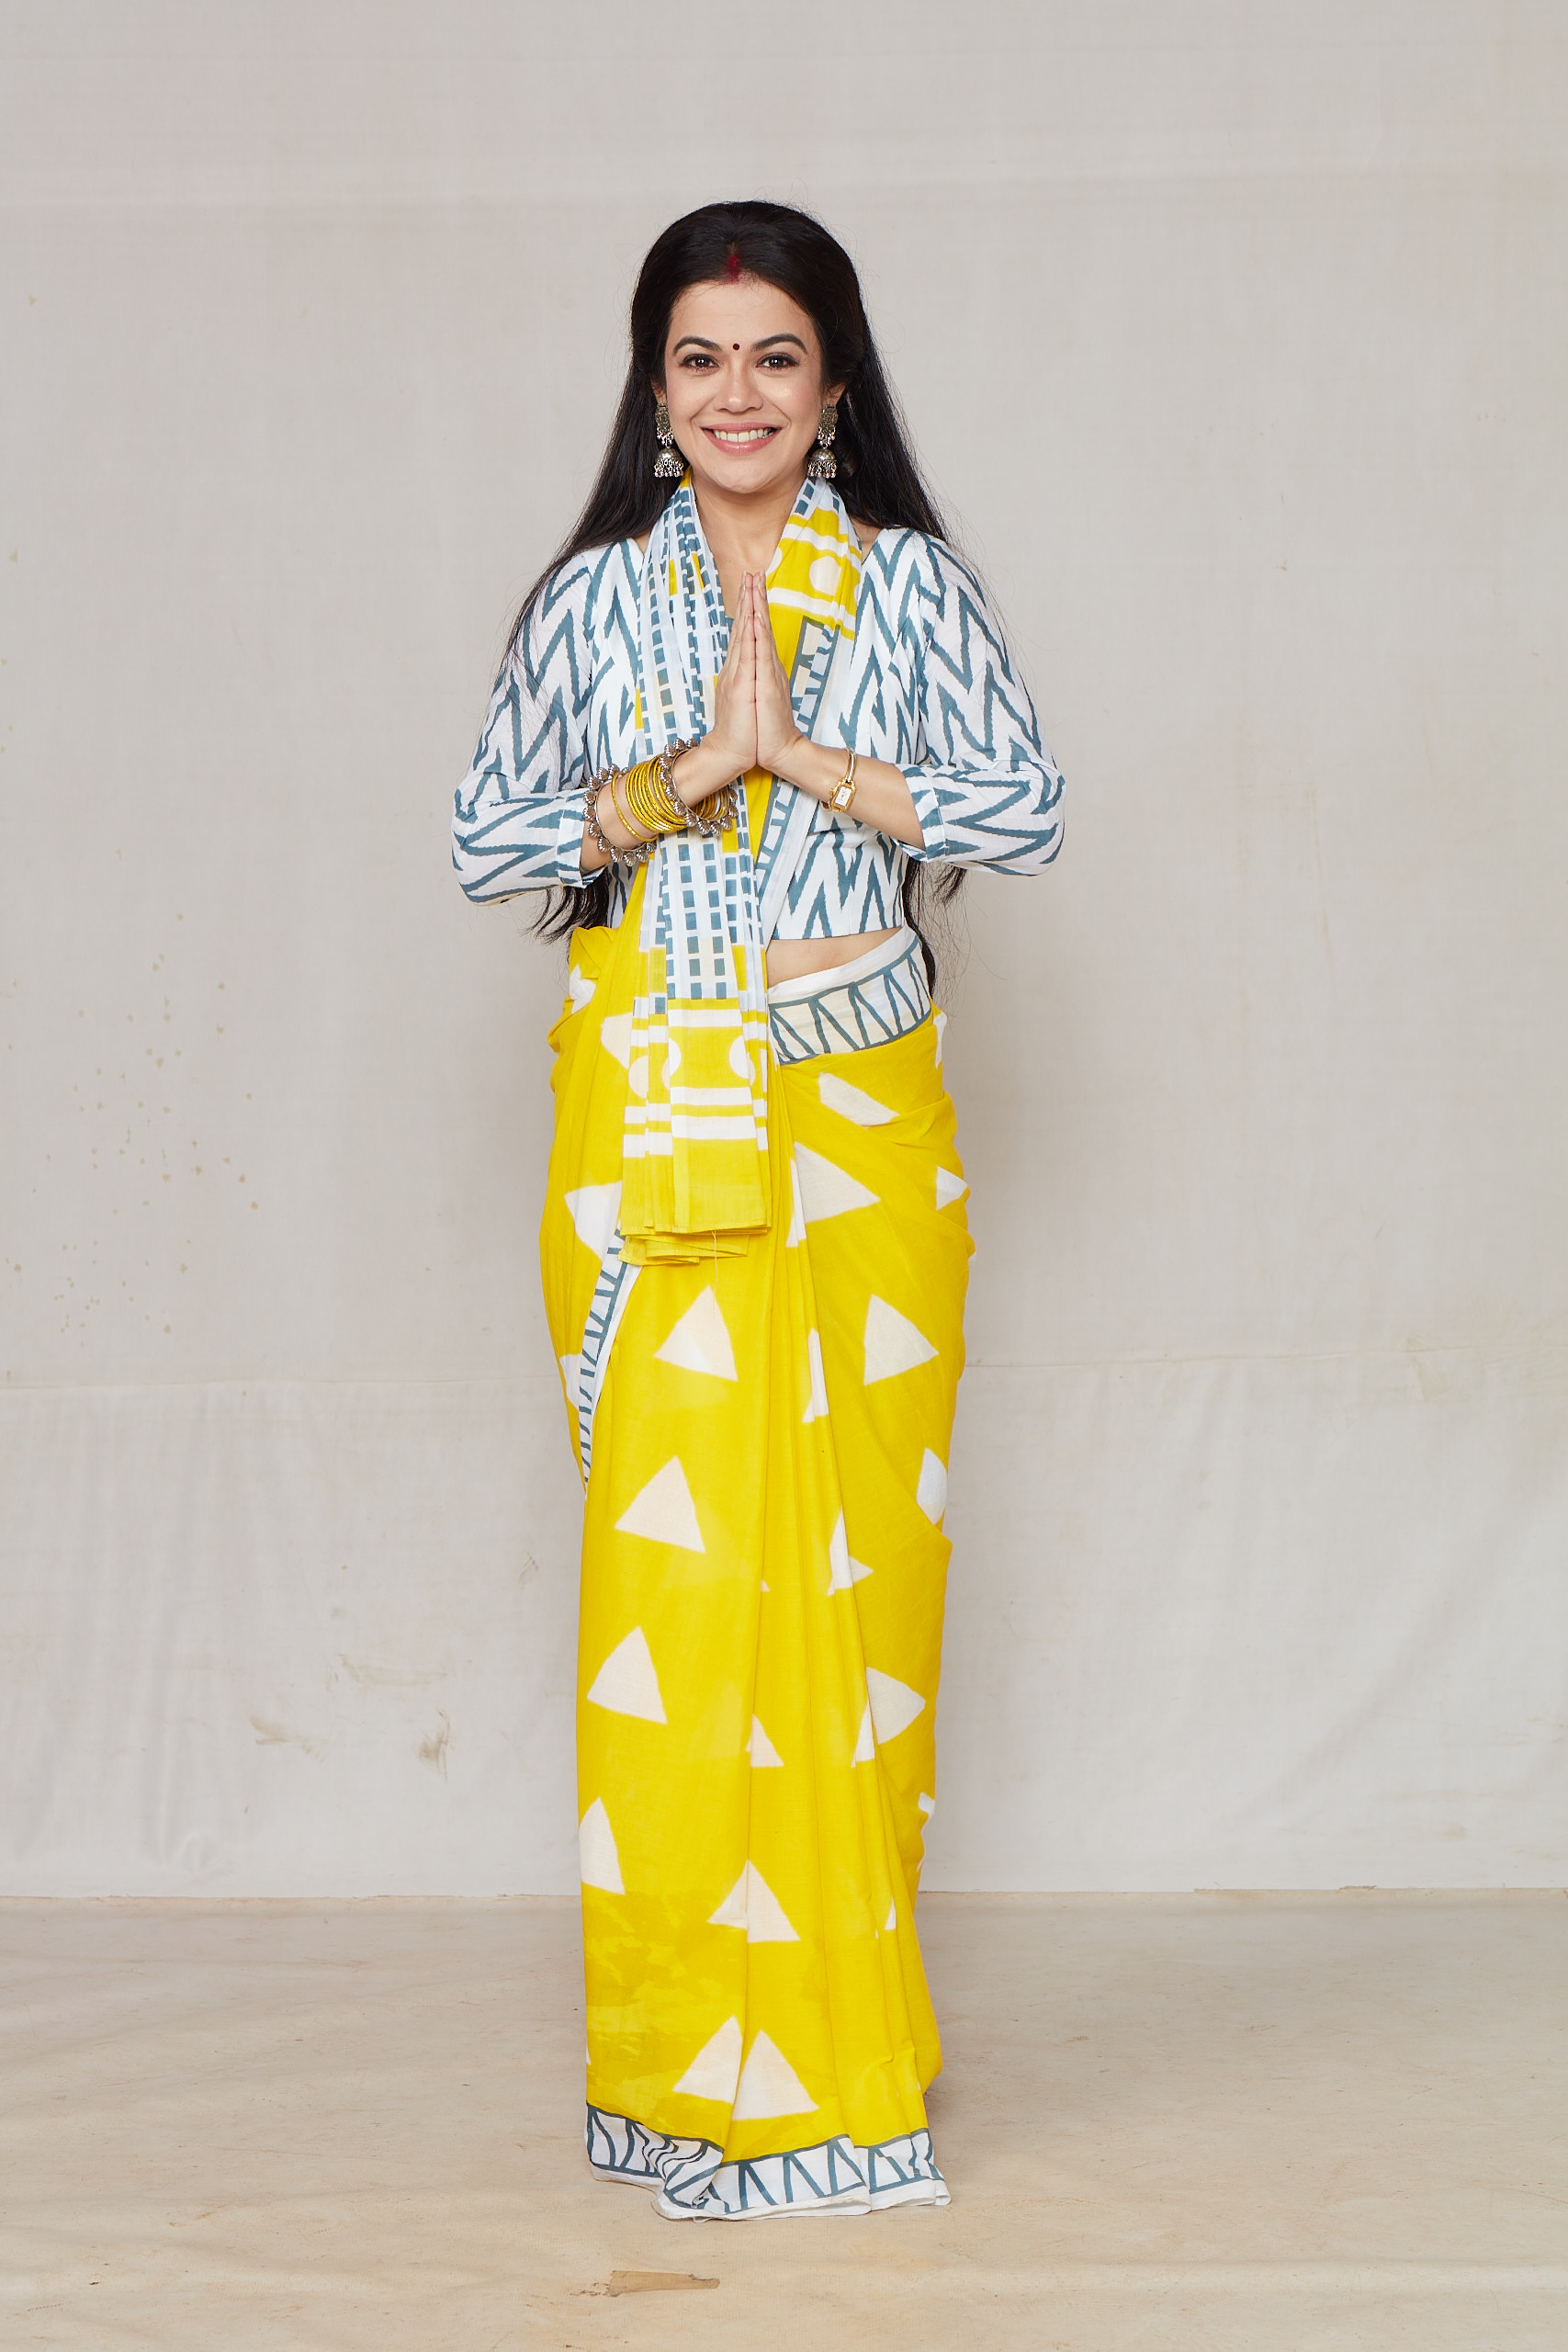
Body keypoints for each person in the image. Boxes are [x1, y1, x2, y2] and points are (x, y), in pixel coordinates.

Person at [453, 200, 1064, 2220]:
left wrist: (807, 758)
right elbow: (488, 837)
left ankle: (834, 2070)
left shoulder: (906, 585)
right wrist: (682, 777)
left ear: (833, 384)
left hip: (861, 1119)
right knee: (684, 1602)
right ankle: (681, 2076)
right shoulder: (590, 603)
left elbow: (1024, 807)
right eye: (700, 358)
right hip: (653, 1126)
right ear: (655, 388)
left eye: (775, 357)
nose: (738, 394)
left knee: (852, 1594)